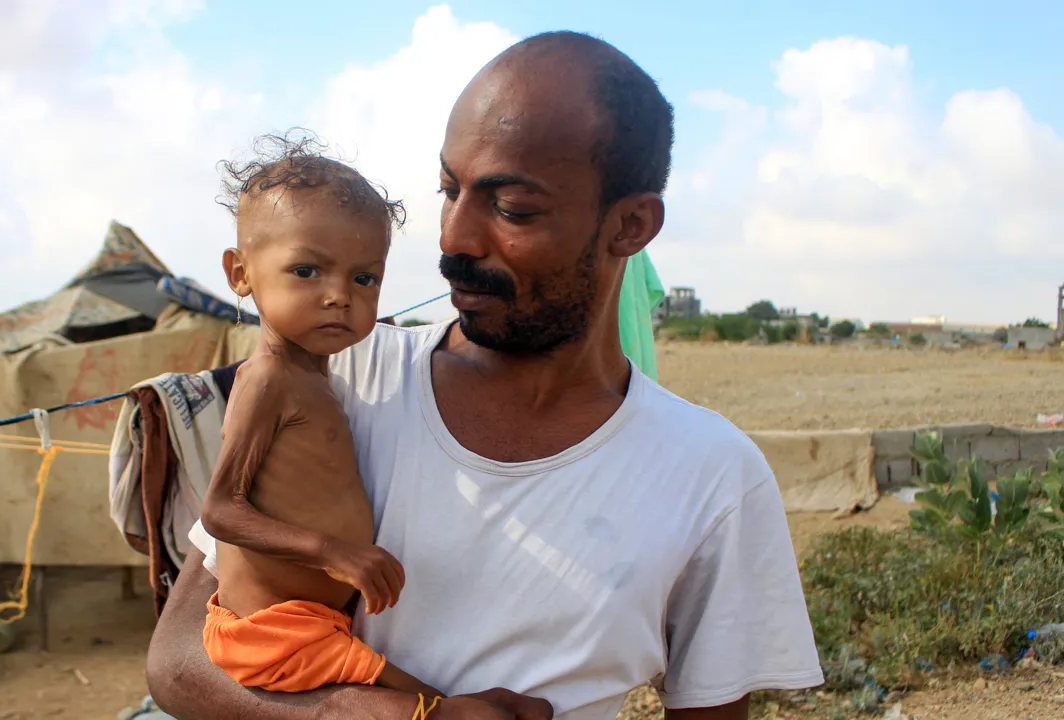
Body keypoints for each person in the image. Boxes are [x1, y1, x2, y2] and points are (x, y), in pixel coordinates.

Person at [147, 31, 823, 720]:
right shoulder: (337, 375)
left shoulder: (712, 475)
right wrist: (386, 715)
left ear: (629, 225)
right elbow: (177, 659)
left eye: (512, 208)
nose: (454, 238)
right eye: (450, 191)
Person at [198, 134, 442, 702]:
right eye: (307, 270)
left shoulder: (318, 379)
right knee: (439, 708)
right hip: (273, 633)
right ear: (240, 273)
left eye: (365, 278)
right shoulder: (267, 378)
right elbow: (220, 510)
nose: (340, 296)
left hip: (312, 625)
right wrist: (334, 552)